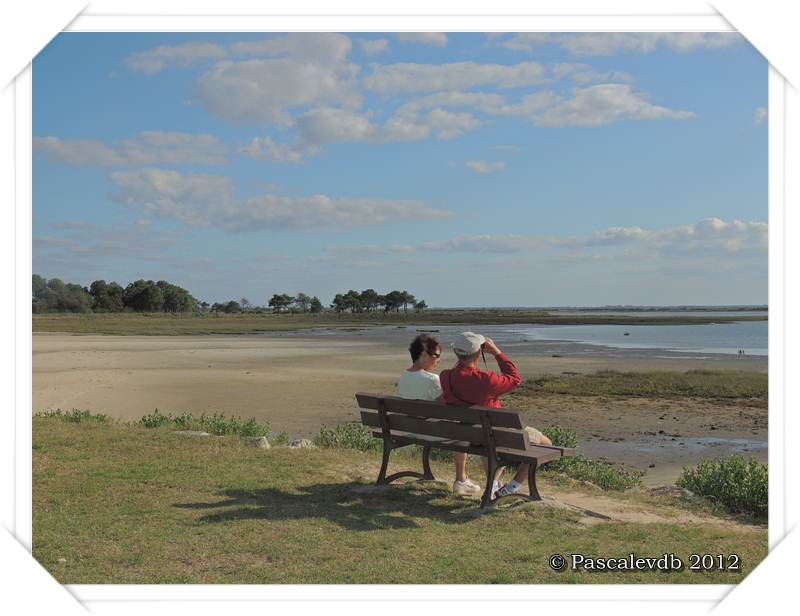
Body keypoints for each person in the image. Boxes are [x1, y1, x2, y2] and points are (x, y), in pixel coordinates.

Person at [439, 331, 552, 499]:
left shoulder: (446, 376)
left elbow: (460, 375)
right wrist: (497, 352)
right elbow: (514, 379)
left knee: (488, 442)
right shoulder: (486, 379)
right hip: (496, 434)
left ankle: (494, 484)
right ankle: (512, 486)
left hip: (473, 435)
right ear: (479, 352)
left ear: (456, 353)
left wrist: (468, 356)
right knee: (546, 444)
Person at [398, 333, 481, 496]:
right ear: (423, 355)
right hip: (432, 433)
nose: (438, 360)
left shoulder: (403, 377)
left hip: (410, 429)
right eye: (436, 355)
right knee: (463, 429)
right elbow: (448, 405)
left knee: (457, 427)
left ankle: (461, 479)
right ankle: (461, 480)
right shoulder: (432, 379)